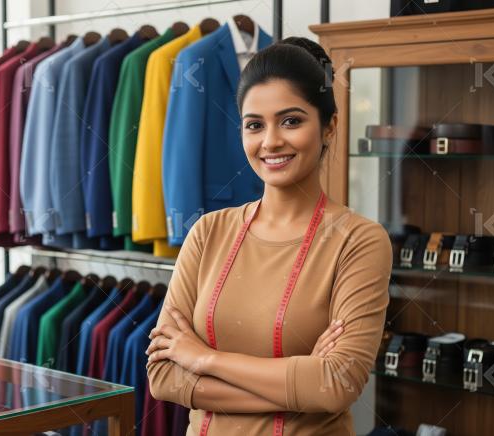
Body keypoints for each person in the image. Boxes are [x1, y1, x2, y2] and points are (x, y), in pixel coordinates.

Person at [145, 37, 392, 435]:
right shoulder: (208, 232)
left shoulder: (358, 241)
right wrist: (298, 385)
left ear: (330, 126)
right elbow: (163, 376)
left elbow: (335, 385)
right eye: (254, 125)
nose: (271, 141)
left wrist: (204, 359)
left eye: (291, 121)